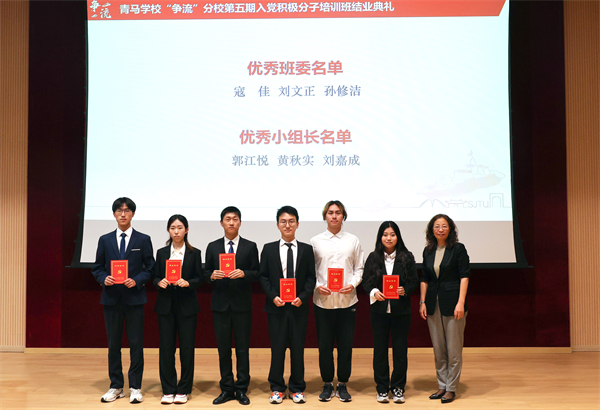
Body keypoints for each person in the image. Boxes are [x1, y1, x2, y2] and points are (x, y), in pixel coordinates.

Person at [91, 197, 155, 404]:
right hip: (111, 299)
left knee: (136, 344)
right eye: (119, 210)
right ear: (114, 214)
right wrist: (104, 278)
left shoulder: (143, 239)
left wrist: (137, 280)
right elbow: (97, 268)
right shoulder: (105, 239)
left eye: (127, 210)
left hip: (134, 298)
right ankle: (116, 386)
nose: (123, 214)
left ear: (133, 214)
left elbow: (150, 268)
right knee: (114, 345)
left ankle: (135, 387)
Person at [259, 206, 316, 404]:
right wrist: (273, 296)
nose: (287, 225)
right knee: (278, 349)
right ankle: (277, 388)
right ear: (277, 225)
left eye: (291, 221)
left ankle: (297, 388)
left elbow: (311, 277)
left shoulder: (307, 250)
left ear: (297, 224)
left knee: (298, 349)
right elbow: (263, 276)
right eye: (283, 221)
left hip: (299, 307)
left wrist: (303, 297)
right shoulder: (268, 249)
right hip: (276, 307)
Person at [204, 206, 260, 405]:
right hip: (220, 306)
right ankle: (227, 388)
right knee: (223, 350)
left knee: (242, 349)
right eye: (227, 219)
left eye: (235, 219)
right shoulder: (213, 246)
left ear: (240, 222)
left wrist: (244, 273)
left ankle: (241, 388)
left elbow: (257, 273)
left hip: (242, 306)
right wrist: (211, 275)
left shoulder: (250, 246)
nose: (231, 222)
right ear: (221, 223)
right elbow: (205, 273)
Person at [310, 200, 364, 402]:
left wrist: (353, 284)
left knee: (345, 345)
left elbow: (359, 268)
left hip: (347, 301)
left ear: (343, 216)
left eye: (338, 212)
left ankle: (342, 383)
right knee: (324, 346)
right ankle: (326, 383)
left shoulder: (353, 240)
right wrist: (317, 285)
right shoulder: (315, 241)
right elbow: (310, 270)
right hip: (322, 301)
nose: (334, 216)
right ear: (325, 216)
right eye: (330, 212)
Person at [362, 221, 418, 403]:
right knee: (380, 351)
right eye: (385, 234)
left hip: (401, 312)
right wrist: (373, 292)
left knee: (400, 351)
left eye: (392, 235)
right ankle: (382, 388)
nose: (389, 238)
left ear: (398, 237)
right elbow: (366, 281)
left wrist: (405, 290)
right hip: (379, 312)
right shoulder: (373, 257)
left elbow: (414, 281)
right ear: (380, 237)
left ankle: (398, 387)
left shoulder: (407, 257)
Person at [419, 214, 470, 404]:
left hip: (453, 303)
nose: (440, 229)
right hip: (433, 304)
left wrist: (461, 302)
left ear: (450, 229)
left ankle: (451, 388)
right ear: (431, 230)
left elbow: (464, 276)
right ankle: (442, 385)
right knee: (439, 348)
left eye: (444, 226)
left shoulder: (458, 249)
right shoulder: (428, 251)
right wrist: (422, 301)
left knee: (453, 349)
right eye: (437, 226)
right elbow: (425, 278)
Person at [153, 215, 203, 405]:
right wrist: (159, 282)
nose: (176, 231)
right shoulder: (161, 253)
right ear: (168, 230)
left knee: (187, 349)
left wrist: (188, 283)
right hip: (166, 305)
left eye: (180, 227)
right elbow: (155, 277)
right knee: (166, 349)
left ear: (186, 230)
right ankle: (168, 389)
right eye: (173, 228)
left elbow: (200, 278)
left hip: (187, 306)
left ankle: (183, 389)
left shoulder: (194, 253)